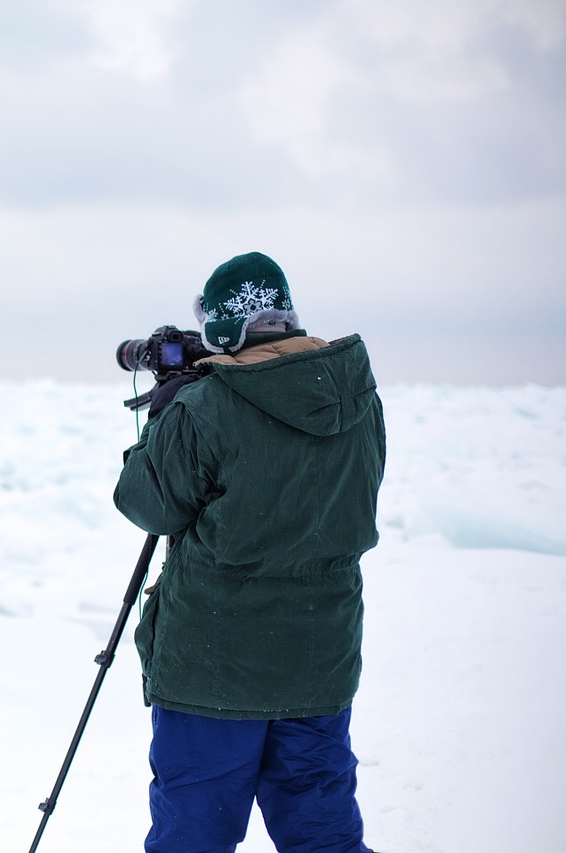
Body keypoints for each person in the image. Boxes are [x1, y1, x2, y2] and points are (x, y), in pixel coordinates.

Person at [114, 251, 385, 853]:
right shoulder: (358, 403)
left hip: (214, 664)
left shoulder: (205, 406)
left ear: (220, 328)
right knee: (323, 827)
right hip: (319, 656)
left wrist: (165, 417)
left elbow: (148, 505)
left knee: (195, 830)